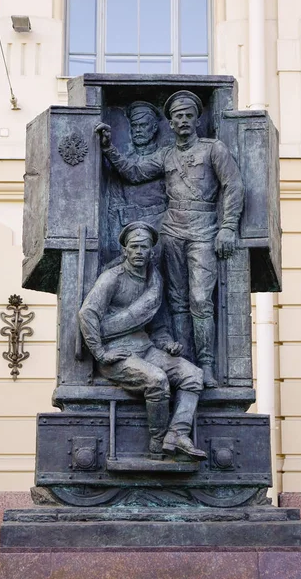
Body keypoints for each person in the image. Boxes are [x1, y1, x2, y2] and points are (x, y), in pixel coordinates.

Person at [95, 91, 244, 389]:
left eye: (189, 115)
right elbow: (134, 172)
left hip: (204, 230)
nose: (184, 121)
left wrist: (228, 227)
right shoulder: (166, 155)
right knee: (176, 302)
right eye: (178, 116)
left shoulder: (213, 149)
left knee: (201, 301)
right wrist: (110, 148)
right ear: (171, 123)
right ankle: (186, 361)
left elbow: (233, 186)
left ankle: (206, 365)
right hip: (172, 230)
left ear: (197, 119)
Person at [79, 221, 206, 461]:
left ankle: (177, 434)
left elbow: (157, 327)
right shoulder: (111, 278)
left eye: (144, 247)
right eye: (134, 247)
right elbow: (87, 314)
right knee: (156, 379)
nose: (139, 252)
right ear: (125, 250)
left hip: (147, 349)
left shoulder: (154, 281)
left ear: (151, 252)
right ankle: (157, 442)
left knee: (193, 376)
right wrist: (100, 353)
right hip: (118, 355)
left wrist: (167, 344)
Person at [107, 101, 167, 258]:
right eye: (134, 126)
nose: (138, 130)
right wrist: (115, 241)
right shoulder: (122, 163)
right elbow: (115, 204)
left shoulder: (165, 157)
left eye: (143, 125)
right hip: (130, 228)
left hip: (161, 224)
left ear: (154, 128)